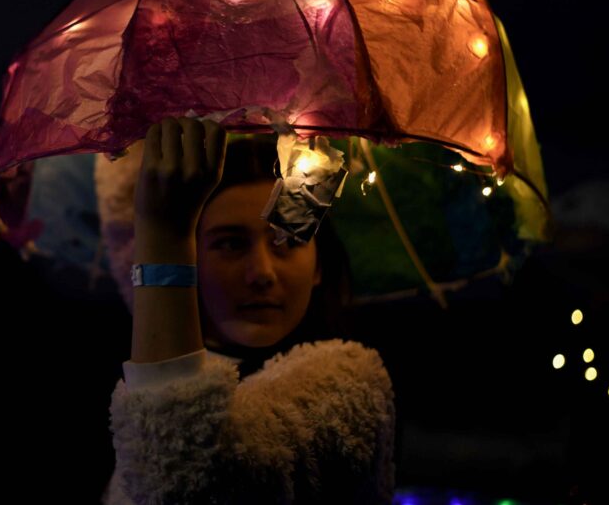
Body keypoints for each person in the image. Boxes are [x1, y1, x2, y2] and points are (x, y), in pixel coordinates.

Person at [95, 116, 396, 504]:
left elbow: (179, 478)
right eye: (231, 244)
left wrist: (163, 233)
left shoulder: (353, 381)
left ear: (320, 265)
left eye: (287, 242)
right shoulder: (126, 388)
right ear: (194, 258)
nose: (262, 274)